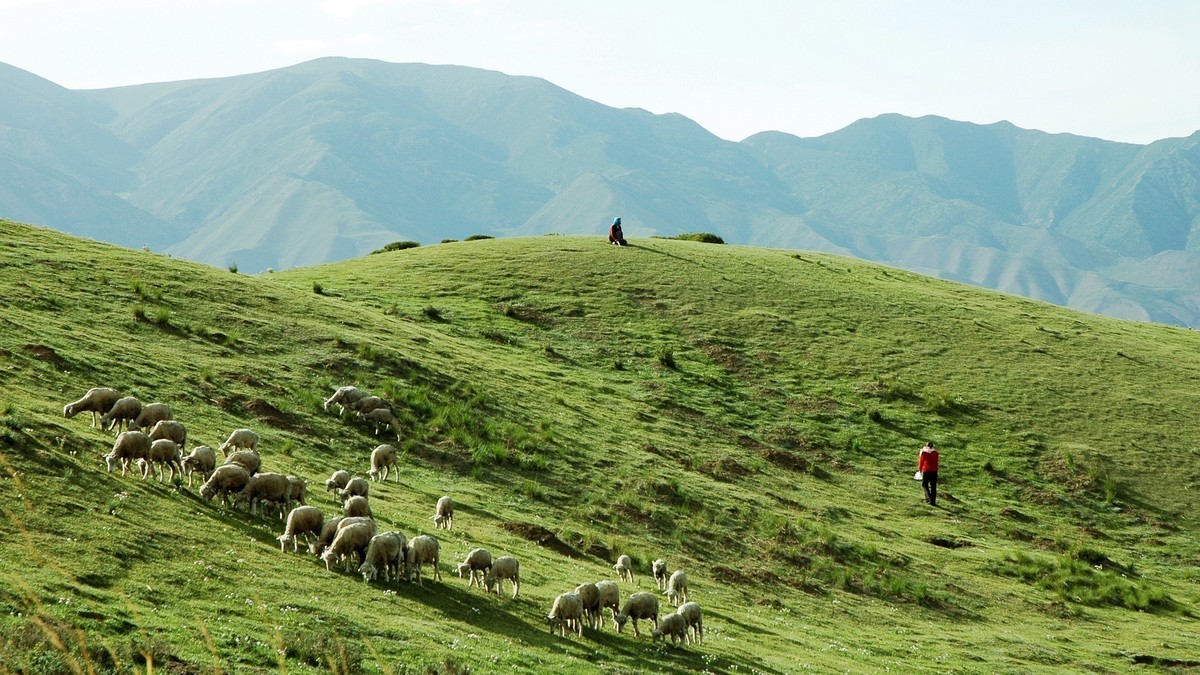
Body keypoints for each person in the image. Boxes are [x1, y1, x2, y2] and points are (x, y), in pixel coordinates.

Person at [917, 441, 939, 506]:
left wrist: (920, 469)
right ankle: (933, 502)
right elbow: (936, 462)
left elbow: (921, 461)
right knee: (933, 487)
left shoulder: (924, 453)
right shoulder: (936, 453)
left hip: (926, 470)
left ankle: (928, 496)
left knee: (924, 484)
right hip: (934, 471)